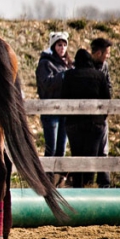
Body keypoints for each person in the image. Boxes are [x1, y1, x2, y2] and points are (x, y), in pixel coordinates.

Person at [61, 49, 111, 188]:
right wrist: (101, 118)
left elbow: (63, 98)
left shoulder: (70, 75)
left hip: (74, 123)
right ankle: (89, 186)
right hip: (95, 123)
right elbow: (107, 100)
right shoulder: (99, 76)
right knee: (91, 156)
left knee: (77, 155)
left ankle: (78, 186)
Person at [35, 31, 73, 160]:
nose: (62, 48)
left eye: (64, 45)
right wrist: (63, 76)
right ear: (53, 46)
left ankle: (57, 178)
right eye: (59, 45)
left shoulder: (68, 64)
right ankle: (48, 177)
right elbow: (46, 83)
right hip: (51, 110)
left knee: (61, 149)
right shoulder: (45, 63)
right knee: (52, 148)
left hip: (65, 111)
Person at [91, 37, 113, 187]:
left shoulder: (104, 66)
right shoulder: (86, 66)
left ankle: (104, 182)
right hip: (89, 117)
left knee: (103, 150)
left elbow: (109, 87)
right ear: (99, 53)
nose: (108, 56)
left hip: (101, 115)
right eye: (107, 53)